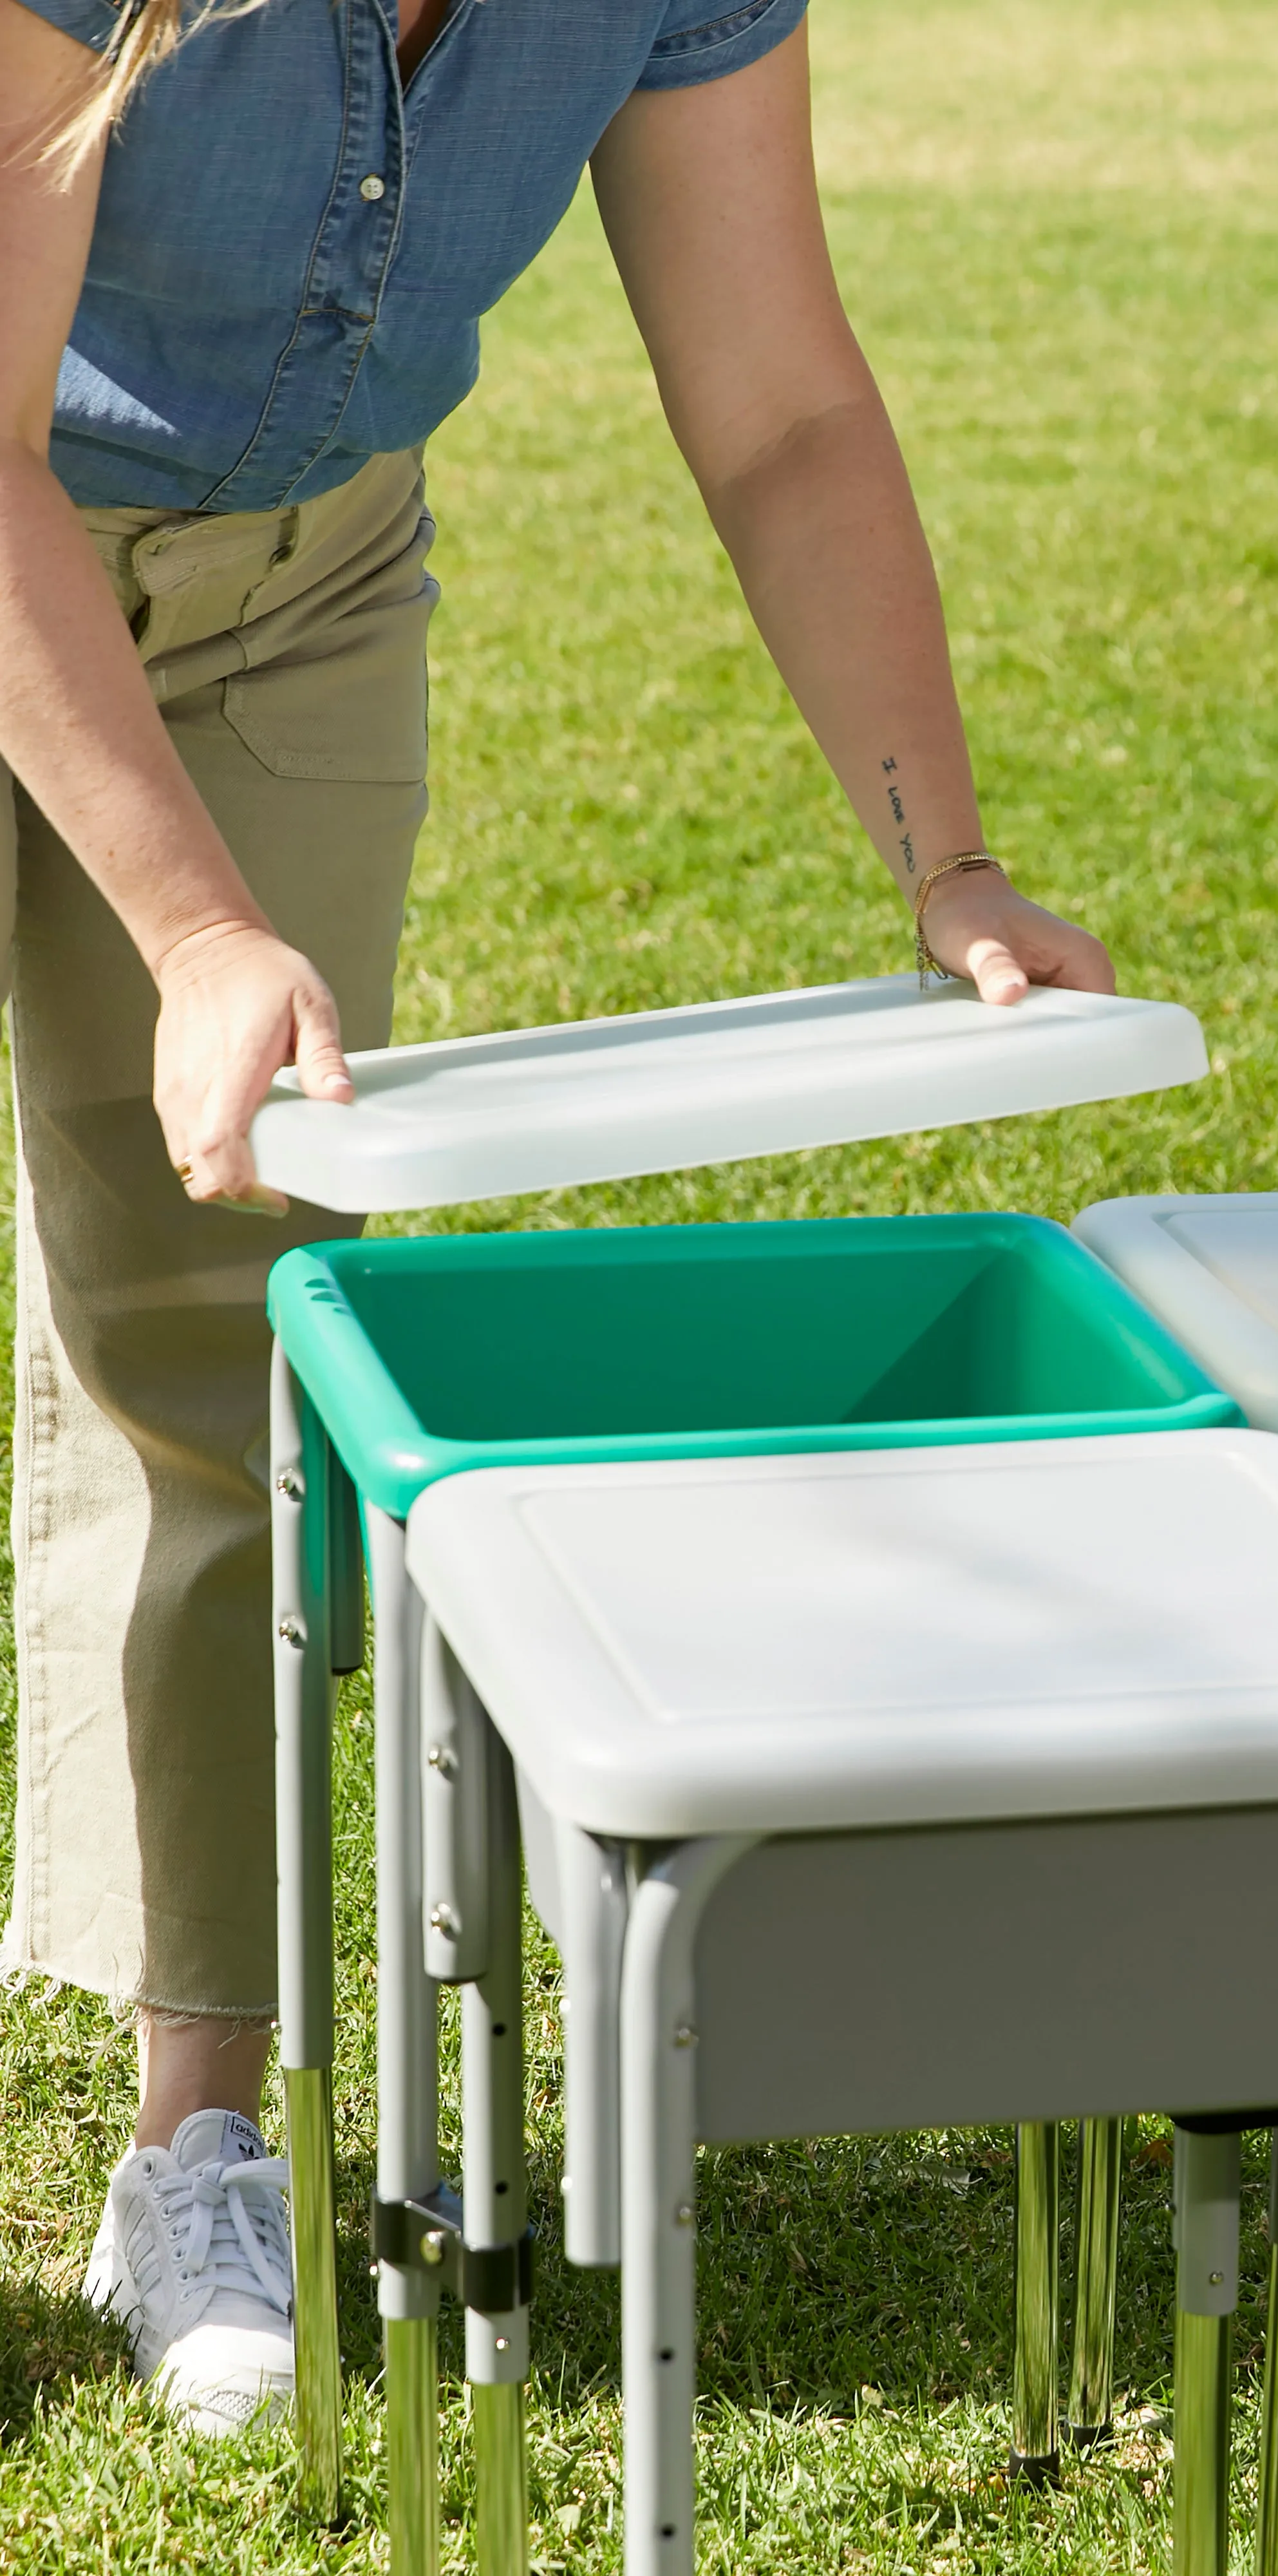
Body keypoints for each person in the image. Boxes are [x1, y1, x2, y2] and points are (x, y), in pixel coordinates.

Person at [0, 0, 1113, 2434]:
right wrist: (193, 931)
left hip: (296, 588)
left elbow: (784, 404)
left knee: (231, 1338)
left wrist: (950, 859)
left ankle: (200, 2133)